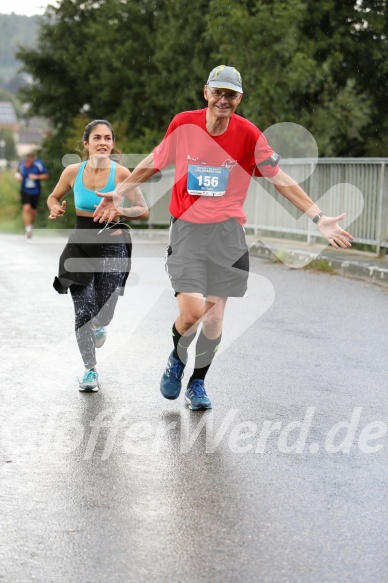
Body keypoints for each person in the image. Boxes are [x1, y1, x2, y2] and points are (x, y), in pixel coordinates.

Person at [93, 65, 353, 410]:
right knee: (191, 315)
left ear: (239, 99)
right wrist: (119, 192)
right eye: (218, 92)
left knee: (214, 317)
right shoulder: (183, 124)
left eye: (230, 94)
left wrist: (318, 217)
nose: (223, 100)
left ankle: (198, 383)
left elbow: (280, 179)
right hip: (186, 229)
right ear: (206, 93)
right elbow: (155, 161)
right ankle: (176, 357)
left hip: (228, 233)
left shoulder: (249, 135)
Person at [47, 120, 148, 392]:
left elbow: (142, 209)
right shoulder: (71, 172)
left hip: (113, 246)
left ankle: (100, 326)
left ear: (112, 144)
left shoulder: (122, 174)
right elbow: (53, 197)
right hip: (79, 247)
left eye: (107, 138)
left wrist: (121, 211)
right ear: (86, 143)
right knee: (83, 310)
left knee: (102, 314)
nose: (102, 142)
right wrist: (55, 207)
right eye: (96, 137)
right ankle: (90, 370)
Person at [15, 152, 48, 238]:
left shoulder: (39, 164)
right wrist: (18, 177)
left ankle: (30, 226)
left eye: (31, 158)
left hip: (36, 191)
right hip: (25, 190)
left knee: (33, 211)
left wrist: (36, 177)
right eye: (27, 158)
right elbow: (17, 173)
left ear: (33, 158)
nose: (29, 160)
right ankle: (28, 230)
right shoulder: (22, 164)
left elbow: (45, 175)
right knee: (26, 208)